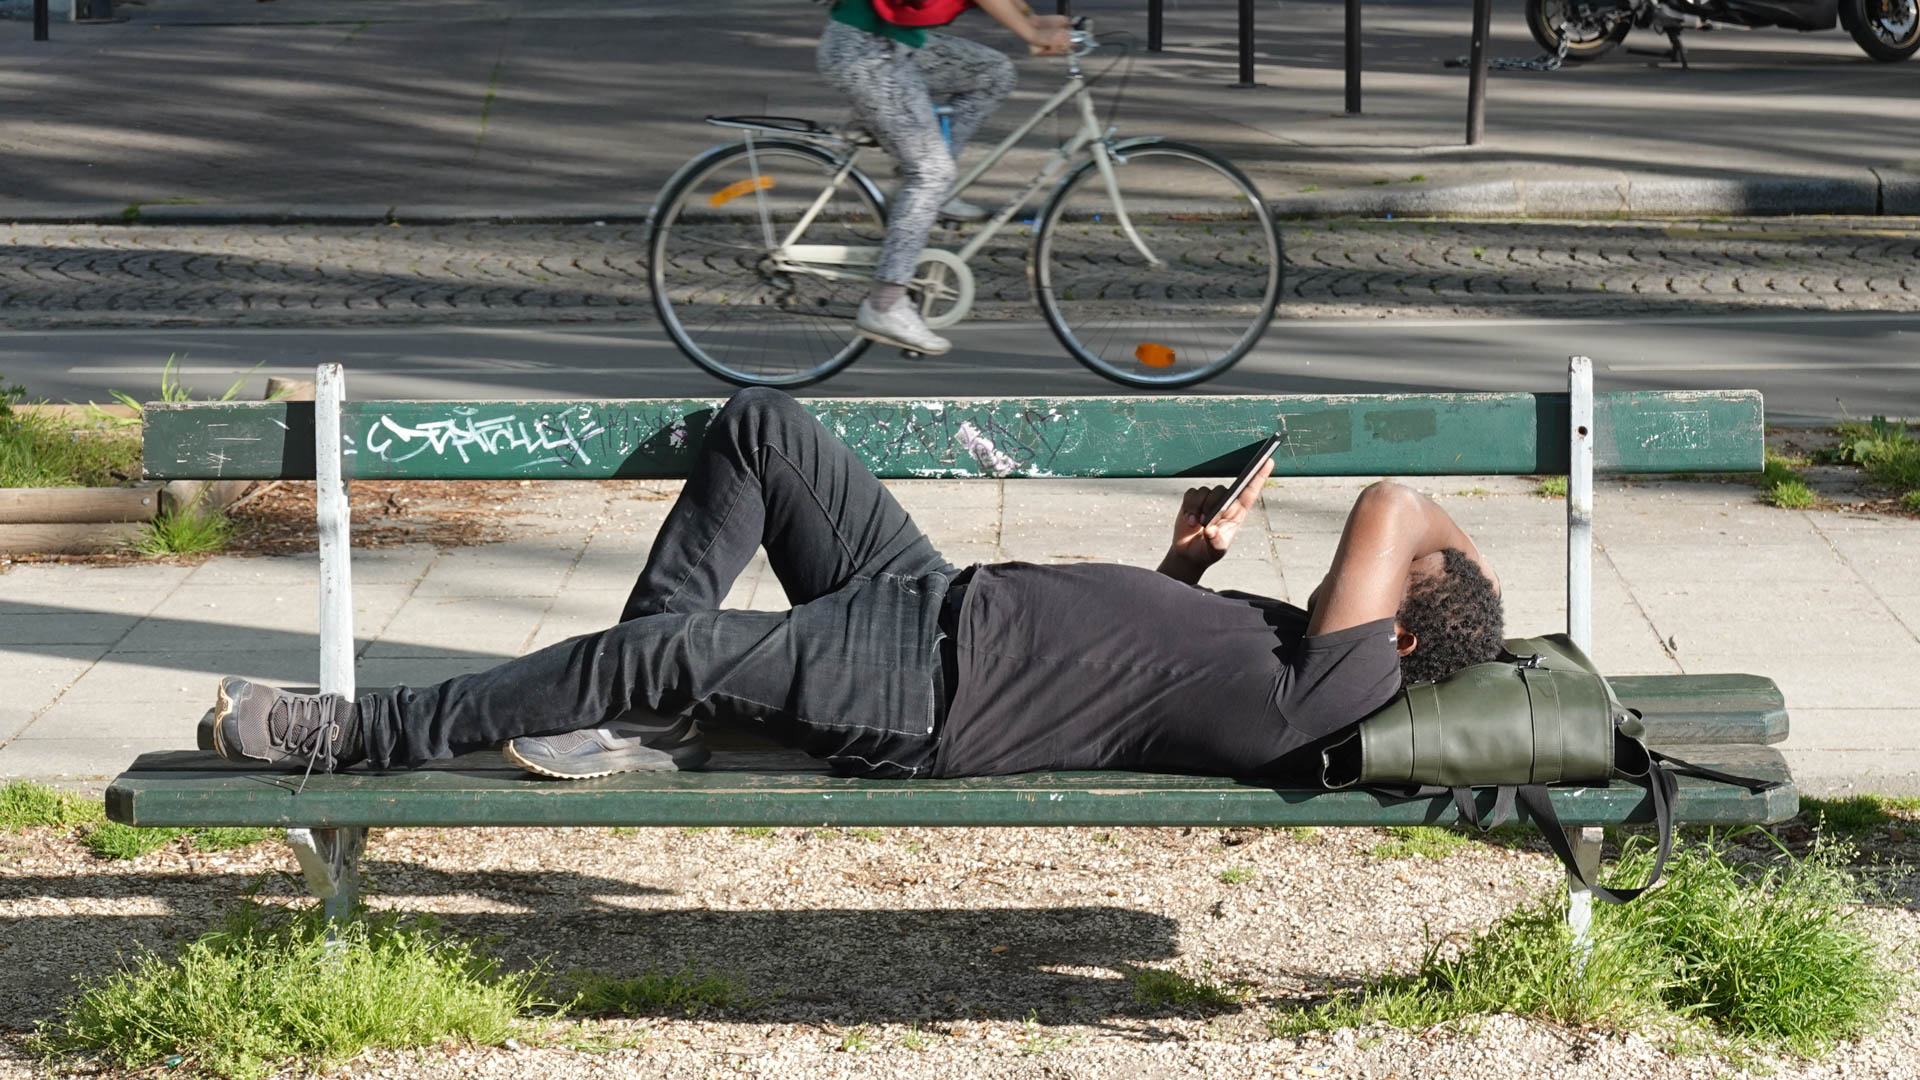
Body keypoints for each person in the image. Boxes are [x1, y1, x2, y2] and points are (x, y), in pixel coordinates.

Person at [206, 389, 1505, 782]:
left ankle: (356, 733)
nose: (1375, 567)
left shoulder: (1337, 690)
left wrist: (1468, 563)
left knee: (659, 653)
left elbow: (1394, 503)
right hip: (932, 600)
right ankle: (640, 703)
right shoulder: (1303, 660)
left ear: (1397, 632)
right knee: (764, 430)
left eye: (1402, 584)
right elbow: (1146, 678)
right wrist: (1186, 564)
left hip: (926, 690)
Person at [817, 0, 1073, 358]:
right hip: (867, 51)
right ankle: (885, 304)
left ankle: (925, 198)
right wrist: (1031, 32)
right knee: (930, 171)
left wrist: (1033, 18)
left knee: (993, 72)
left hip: (896, 43)